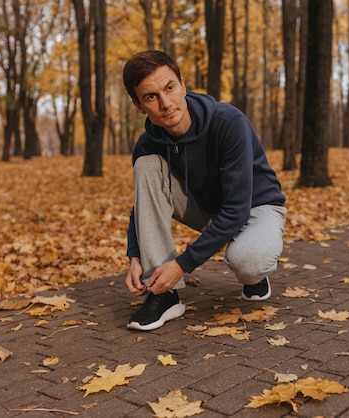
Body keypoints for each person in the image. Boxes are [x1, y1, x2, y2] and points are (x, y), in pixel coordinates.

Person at [122, 50, 287, 331]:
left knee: (248, 262)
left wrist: (182, 264)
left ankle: (253, 273)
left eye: (170, 88)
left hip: (255, 206)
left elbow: (236, 209)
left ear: (183, 85)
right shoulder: (148, 144)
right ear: (139, 105)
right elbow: (143, 205)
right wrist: (134, 256)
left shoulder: (227, 122)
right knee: (147, 165)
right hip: (205, 207)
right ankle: (162, 294)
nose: (166, 103)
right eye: (151, 97)